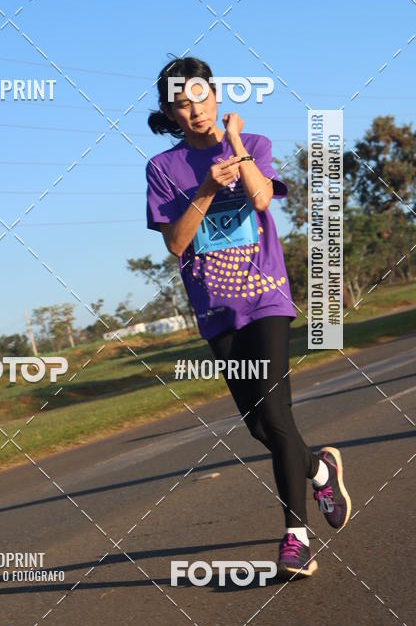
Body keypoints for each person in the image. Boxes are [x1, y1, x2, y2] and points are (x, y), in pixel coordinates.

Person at [145, 55, 351, 579]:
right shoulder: (162, 169)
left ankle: (296, 540)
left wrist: (235, 144)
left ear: (216, 96)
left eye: (201, 98)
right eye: (181, 104)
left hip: (265, 298)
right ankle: (319, 469)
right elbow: (176, 243)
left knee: (277, 417)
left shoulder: (253, 143)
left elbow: (261, 199)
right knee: (259, 426)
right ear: (170, 113)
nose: (194, 110)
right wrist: (207, 188)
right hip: (216, 310)